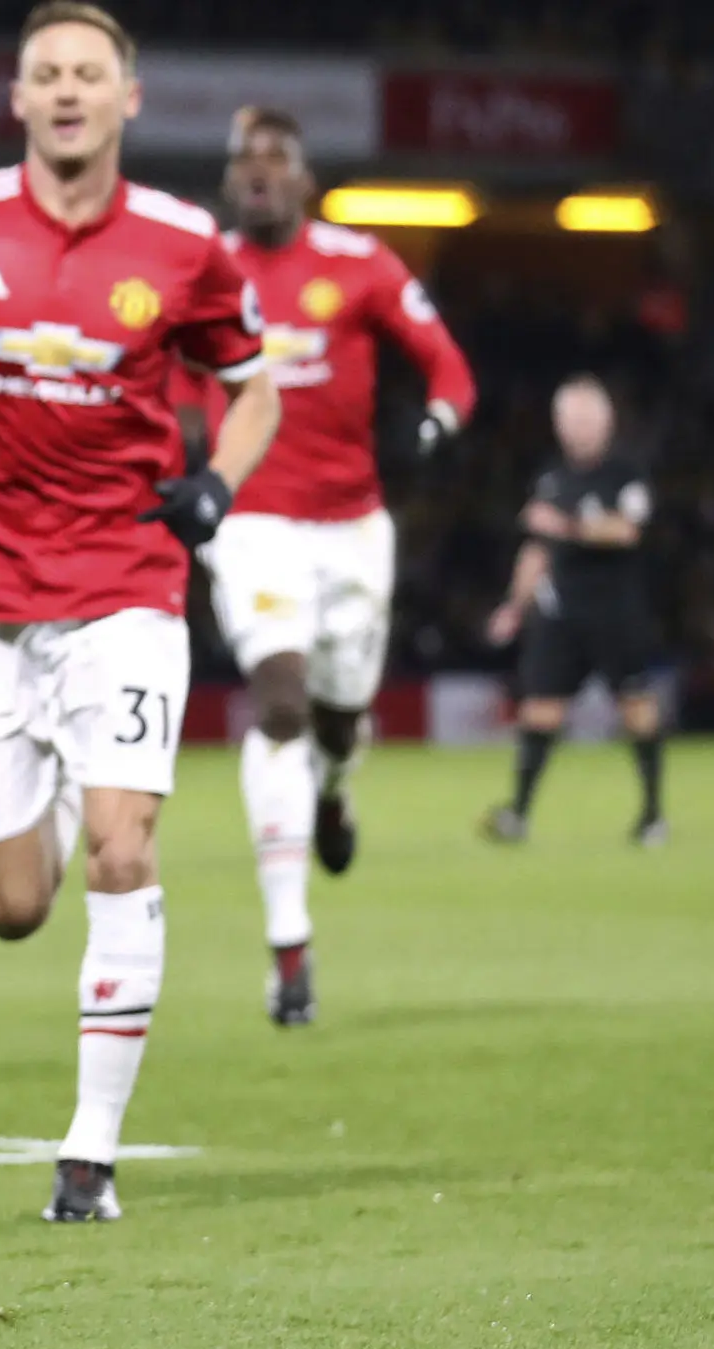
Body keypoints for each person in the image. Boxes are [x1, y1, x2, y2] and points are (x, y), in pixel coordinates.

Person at [0, 1, 281, 1222]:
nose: (70, 90)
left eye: (92, 72)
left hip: (126, 585)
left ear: (128, 98)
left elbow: (254, 391)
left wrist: (216, 485)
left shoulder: (187, 244)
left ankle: (90, 1153)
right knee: (13, 909)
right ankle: (74, 787)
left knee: (124, 847)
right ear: (20, 97)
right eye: (49, 73)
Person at [176, 107, 478, 1026]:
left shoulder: (361, 262)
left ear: (305, 180)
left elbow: (448, 366)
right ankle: (290, 948)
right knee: (279, 703)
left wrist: (437, 423)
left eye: (276, 160)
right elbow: (160, 375)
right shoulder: (203, 270)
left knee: (339, 724)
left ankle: (337, 790)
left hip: (353, 528)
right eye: (244, 161)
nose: (259, 174)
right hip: (254, 516)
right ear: (230, 180)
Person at [483, 376, 665, 847]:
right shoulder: (551, 477)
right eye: (571, 419)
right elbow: (536, 549)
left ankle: (652, 816)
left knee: (636, 708)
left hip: (616, 612)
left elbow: (626, 531)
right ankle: (517, 815)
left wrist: (566, 524)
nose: (580, 428)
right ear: (558, 425)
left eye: (588, 418)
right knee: (539, 710)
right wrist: (514, 606)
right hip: (560, 612)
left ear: (606, 421)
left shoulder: (627, 473)